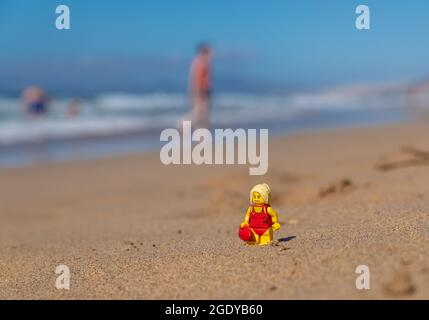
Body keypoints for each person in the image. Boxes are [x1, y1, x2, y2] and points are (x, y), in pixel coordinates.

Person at [180, 43, 213, 129]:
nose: (212, 55)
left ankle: (201, 132)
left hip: (202, 91)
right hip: (201, 92)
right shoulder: (201, 63)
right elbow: (197, 79)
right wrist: (198, 93)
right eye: (210, 52)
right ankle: (181, 124)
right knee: (199, 113)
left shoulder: (198, 62)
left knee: (200, 114)